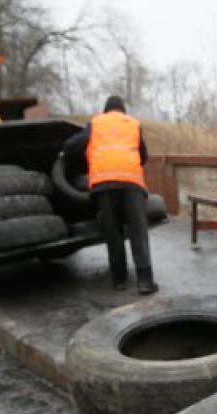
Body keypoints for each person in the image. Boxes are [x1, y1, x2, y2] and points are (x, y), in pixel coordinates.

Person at [63, 95, 157, 294]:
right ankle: (145, 281)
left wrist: (71, 159)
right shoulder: (133, 124)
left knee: (112, 232)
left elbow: (73, 146)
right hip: (131, 182)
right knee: (138, 231)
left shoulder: (96, 123)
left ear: (106, 110)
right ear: (123, 111)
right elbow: (144, 156)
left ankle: (119, 280)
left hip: (103, 184)